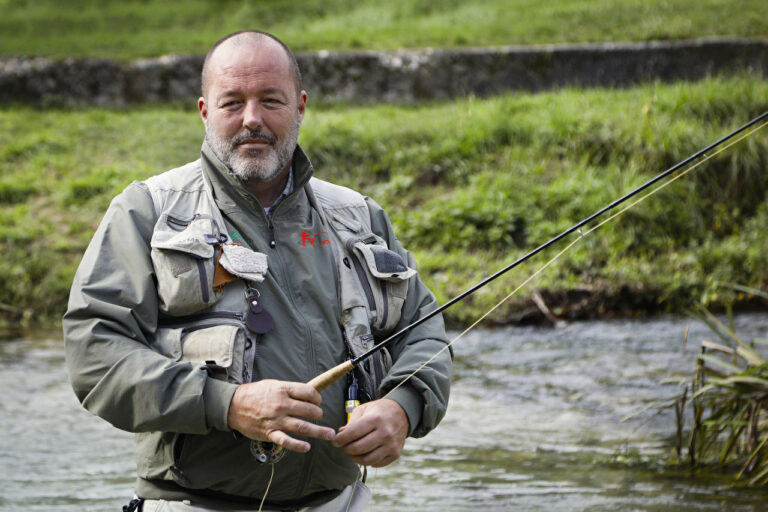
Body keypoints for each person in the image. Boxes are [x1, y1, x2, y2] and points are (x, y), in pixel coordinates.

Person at [63, 30, 452, 511]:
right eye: (233, 103)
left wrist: (404, 407)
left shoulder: (359, 216)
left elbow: (425, 330)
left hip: (340, 502)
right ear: (205, 111)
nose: (252, 119)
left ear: (300, 107)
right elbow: (94, 352)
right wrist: (225, 404)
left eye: (271, 100)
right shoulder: (146, 210)